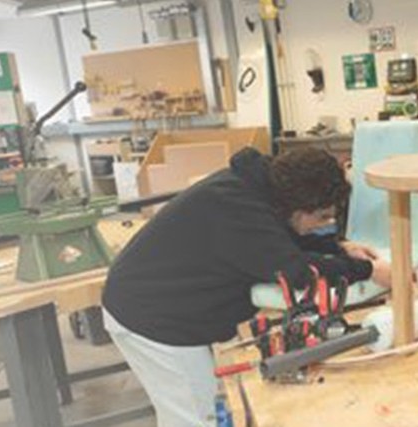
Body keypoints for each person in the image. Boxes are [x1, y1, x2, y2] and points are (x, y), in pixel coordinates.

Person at [101, 147, 391, 427]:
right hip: (152, 319)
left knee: (205, 406)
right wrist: (368, 270)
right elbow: (296, 271)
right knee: (199, 418)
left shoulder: (257, 190)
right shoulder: (238, 207)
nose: (324, 225)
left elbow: (282, 236)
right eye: (322, 217)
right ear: (298, 205)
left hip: (158, 305)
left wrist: (339, 248)